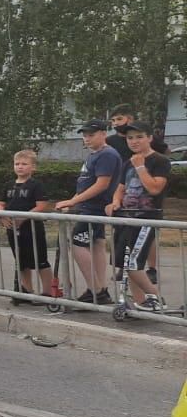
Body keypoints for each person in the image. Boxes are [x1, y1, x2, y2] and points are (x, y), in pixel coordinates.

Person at [54, 120, 123, 304]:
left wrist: (73, 201)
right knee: (96, 245)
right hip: (88, 207)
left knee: (77, 244)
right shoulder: (94, 155)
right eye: (84, 135)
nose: (87, 138)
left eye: (91, 135)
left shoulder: (106, 154)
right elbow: (85, 182)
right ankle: (99, 289)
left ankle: (96, 289)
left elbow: (102, 184)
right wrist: (72, 201)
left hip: (95, 208)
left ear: (103, 134)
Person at [108, 121, 172, 312]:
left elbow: (154, 188)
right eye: (130, 138)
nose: (134, 141)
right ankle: (140, 301)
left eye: (139, 137)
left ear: (149, 138)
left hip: (146, 217)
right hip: (126, 217)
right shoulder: (128, 162)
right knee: (123, 262)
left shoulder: (159, 161)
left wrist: (141, 167)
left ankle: (156, 298)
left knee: (133, 263)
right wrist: (115, 202)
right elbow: (120, 189)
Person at [0, 150, 52, 302]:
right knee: (21, 261)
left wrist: (24, 217)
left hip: (32, 228)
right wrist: (2, 214)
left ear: (33, 167)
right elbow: (0, 203)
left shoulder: (36, 185)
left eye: (24, 164)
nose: (20, 167)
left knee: (40, 259)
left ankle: (48, 291)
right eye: (17, 164)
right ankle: (26, 290)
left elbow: (42, 205)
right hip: (12, 228)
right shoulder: (8, 185)